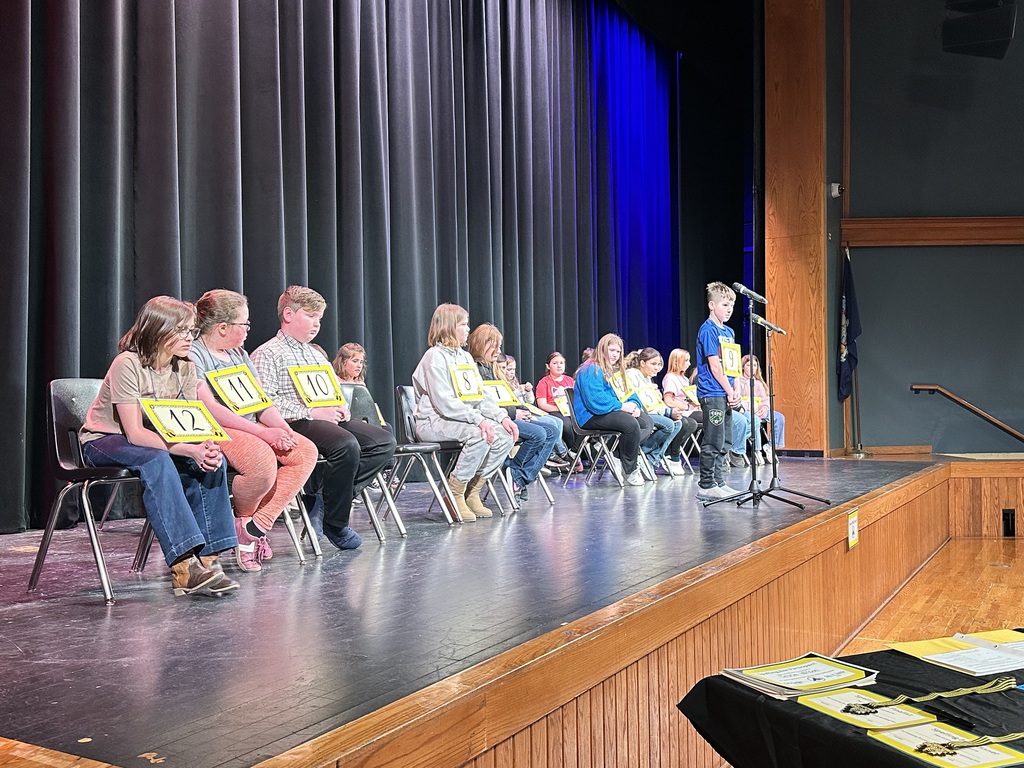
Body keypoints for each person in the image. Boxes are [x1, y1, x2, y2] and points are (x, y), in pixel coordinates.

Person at [79, 296, 239, 597]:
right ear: (157, 330)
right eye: (181, 331)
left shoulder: (185, 367)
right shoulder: (128, 363)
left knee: (214, 461)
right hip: (105, 439)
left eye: (191, 331)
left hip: (159, 440)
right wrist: (187, 448)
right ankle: (183, 567)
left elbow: (191, 422)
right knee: (157, 460)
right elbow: (135, 433)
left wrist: (205, 445)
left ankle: (207, 558)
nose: (190, 339)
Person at [250, 286, 396, 550]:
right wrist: (312, 412)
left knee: (383, 442)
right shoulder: (267, 354)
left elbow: (332, 391)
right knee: (345, 445)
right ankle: (336, 523)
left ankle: (326, 502)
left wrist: (341, 406)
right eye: (310, 316)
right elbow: (265, 404)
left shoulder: (315, 354)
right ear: (288, 314)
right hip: (295, 422)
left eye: (319, 318)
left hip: (325, 419)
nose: (317, 323)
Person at [191, 289, 319, 572]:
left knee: (305, 450)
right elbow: (209, 407)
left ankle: (254, 526)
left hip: (252, 425)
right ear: (222, 328)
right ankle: (246, 529)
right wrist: (262, 433)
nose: (249, 330)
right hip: (217, 428)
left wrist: (284, 430)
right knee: (261, 461)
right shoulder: (195, 354)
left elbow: (262, 402)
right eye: (244, 324)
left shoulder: (239, 354)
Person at [411, 304, 517, 522]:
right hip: (433, 421)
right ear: (449, 327)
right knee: (479, 434)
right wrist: (479, 420)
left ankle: (472, 491)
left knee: (504, 435)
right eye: (463, 325)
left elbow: (479, 396)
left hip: (459, 419)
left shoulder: (465, 358)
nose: (468, 329)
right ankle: (454, 493)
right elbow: (444, 403)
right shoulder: (434, 357)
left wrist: (501, 417)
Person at [470, 325, 560, 501]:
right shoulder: (475, 369)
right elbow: (484, 403)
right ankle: (515, 473)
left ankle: (517, 474)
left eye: (499, 346)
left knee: (552, 431)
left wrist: (521, 410)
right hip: (495, 420)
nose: (498, 351)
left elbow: (506, 397)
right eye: (494, 346)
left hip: (508, 415)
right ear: (481, 344)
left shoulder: (492, 368)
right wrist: (513, 414)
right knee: (539, 434)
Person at [573, 333, 654, 486]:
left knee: (646, 421)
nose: (615, 355)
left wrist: (634, 405)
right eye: (611, 350)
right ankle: (629, 469)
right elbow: (595, 401)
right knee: (629, 423)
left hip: (611, 410)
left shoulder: (614, 370)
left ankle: (616, 452)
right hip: (591, 415)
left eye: (618, 351)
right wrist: (623, 407)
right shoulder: (591, 369)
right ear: (603, 349)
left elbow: (628, 391)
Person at [695, 282, 742, 500]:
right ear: (712, 305)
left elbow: (734, 366)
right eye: (725, 304)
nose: (729, 309)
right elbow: (715, 365)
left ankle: (719, 481)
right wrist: (727, 390)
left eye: (732, 304)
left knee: (726, 440)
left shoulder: (729, 331)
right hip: (712, 392)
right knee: (713, 440)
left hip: (726, 392)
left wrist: (736, 389)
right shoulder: (708, 330)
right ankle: (706, 484)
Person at [624, 348, 689, 476]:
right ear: (642, 363)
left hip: (650, 413)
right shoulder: (632, 375)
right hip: (636, 413)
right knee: (669, 424)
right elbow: (642, 402)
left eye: (659, 364)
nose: (657, 368)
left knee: (678, 423)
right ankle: (642, 453)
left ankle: (651, 459)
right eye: (653, 364)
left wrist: (669, 411)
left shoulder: (647, 378)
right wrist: (667, 412)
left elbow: (655, 403)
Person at [729, 354, 786, 466]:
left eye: (755, 365)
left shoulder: (758, 383)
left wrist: (764, 408)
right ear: (742, 367)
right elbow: (737, 401)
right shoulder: (737, 382)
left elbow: (765, 400)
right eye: (749, 365)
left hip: (759, 410)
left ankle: (770, 446)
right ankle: (757, 450)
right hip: (747, 411)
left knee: (779, 417)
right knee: (755, 420)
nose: (752, 368)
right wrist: (751, 409)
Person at [534, 351, 582, 466]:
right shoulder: (544, 382)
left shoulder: (570, 381)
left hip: (570, 411)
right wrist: (559, 408)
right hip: (554, 411)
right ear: (548, 366)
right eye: (555, 363)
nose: (559, 365)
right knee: (566, 424)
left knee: (583, 421)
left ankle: (575, 452)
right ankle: (570, 454)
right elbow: (542, 404)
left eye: (561, 363)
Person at [661, 348, 702, 467]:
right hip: (680, 411)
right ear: (676, 361)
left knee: (696, 422)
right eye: (685, 361)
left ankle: (673, 450)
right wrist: (687, 406)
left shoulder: (684, 379)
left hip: (689, 410)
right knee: (703, 419)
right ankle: (671, 452)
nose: (689, 364)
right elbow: (668, 401)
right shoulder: (670, 378)